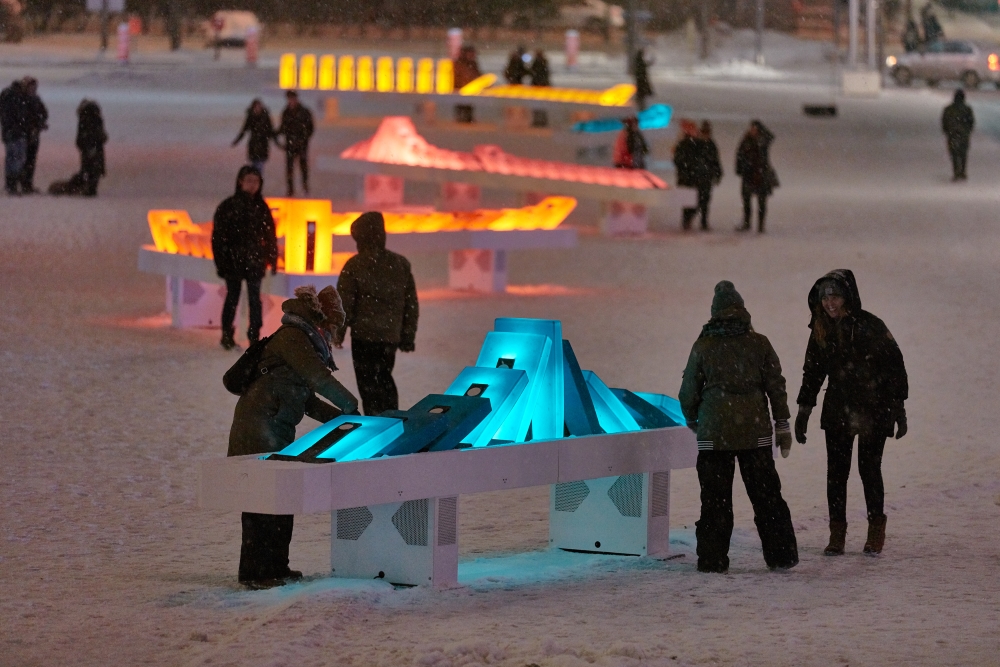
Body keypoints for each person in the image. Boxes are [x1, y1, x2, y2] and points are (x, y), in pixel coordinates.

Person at [227, 284, 359, 589]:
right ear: (320, 320)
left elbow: (305, 398)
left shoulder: (304, 342)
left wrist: (340, 418)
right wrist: (349, 404)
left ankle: (275, 568)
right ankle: (258, 572)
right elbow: (318, 379)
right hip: (258, 428)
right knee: (263, 504)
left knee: (280, 500)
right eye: (331, 327)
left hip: (274, 428)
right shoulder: (294, 339)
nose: (332, 334)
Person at [679, 280, 798, 574]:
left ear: (714, 314)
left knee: (715, 502)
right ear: (743, 311)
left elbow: (688, 391)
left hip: (714, 436)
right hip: (754, 433)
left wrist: (695, 420)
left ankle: (712, 560)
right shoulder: (759, 343)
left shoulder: (703, 345)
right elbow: (776, 386)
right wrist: (782, 424)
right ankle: (781, 556)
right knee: (767, 498)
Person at [794, 270, 908, 557]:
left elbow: (894, 365)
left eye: (835, 297)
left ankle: (875, 530)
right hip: (838, 409)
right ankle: (837, 534)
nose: (830, 304)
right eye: (825, 298)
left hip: (874, 407)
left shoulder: (870, 326)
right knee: (836, 473)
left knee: (869, 470)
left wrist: (898, 406)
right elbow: (813, 371)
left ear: (847, 297)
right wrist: (805, 408)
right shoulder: (821, 330)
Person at [334, 211, 419, 416]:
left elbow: (344, 303)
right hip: (390, 336)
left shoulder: (354, 265)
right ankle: (392, 420)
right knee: (384, 378)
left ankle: (377, 427)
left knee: (368, 385)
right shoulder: (400, 264)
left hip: (364, 336)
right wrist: (407, 336)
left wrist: (338, 331)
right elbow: (411, 304)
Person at [211, 165, 279, 350]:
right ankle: (227, 335)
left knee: (254, 300)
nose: (252, 185)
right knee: (233, 298)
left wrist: (272, 258)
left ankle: (254, 337)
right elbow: (218, 238)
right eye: (249, 181)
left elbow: (270, 235)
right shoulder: (228, 207)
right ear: (240, 182)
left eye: (255, 181)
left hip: (254, 260)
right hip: (234, 261)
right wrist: (221, 262)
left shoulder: (261, 207)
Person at [735, 119, 776, 233]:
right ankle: (747, 223)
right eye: (752, 128)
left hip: (761, 174)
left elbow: (771, 137)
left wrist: (761, 128)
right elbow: (739, 155)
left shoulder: (762, 141)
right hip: (748, 174)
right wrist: (739, 169)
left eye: (755, 129)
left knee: (761, 202)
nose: (753, 131)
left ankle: (760, 226)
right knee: (746, 200)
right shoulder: (746, 140)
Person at [276, 90, 314, 197]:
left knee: (303, 168)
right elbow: (283, 128)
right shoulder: (286, 112)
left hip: (301, 145)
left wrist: (303, 139)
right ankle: (291, 189)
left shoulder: (304, 112)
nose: (291, 101)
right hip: (290, 146)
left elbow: (310, 128)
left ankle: (305, 187)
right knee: (290, 168)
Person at [232, 98, 276, 177]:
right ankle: (256, 183)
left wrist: (277, 142)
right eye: (256, 107)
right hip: (254, 145)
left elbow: (271, 131)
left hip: (263, 145)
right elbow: (244, 130)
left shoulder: (265, 117)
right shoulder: (251, 117)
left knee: (259, 166)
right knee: (254, 166)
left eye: (259, 107)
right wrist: (237, 141)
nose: (257, 109)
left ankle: (257, 183)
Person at [693, 120, 723, 231]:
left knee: (705, 200)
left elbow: (716, 161)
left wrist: (718, 173)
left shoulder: (710, 144)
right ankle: (696, 220)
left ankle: (703, 221)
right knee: (698, 200)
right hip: (699, 176)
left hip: (706, 176)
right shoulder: (698, 144)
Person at [75, 99, 108, 197]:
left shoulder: (86, 118)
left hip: (90, 146)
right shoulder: (95, 117)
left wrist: (84, 144)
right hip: (94, 146)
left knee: (90, 168)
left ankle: (90, 189)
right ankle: (91, 188)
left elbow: (85, 134)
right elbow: (99, 134)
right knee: (93, 169)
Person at [19, 77, 47, 194]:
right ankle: (21, 184)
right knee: (23, 160)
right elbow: (21, 117)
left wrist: (39, 124)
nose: (33, 89)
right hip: (24, 134)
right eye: (31, 86)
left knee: (31, 160)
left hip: (34, 134)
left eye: (34, 87)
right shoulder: (21, 100)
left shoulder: (36, 99)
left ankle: (28, 185)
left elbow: (44, 113)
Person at [0, 79, 27, 195]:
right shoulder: (14, 98)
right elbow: (13, 117)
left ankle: (11, 184)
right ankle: (12, 184)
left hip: (11, 133)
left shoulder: (8, 97)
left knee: (12, 158)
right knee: (16, 158)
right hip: (15, 134)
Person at [672, 119, 700, 229]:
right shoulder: (684, 145)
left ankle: (687, 220)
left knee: (690, 201)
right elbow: (677, 160)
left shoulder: (694, 145)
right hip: (687, 177)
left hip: (689, 177)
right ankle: (686, 221)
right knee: (688, 201)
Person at [942, 90, 974, 181]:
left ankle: (956, 171)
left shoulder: (948, 109)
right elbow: (971, 122)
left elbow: (944, 122)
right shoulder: (967, 109)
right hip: (964, 134)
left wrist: (947, 131)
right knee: (963, 153)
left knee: (954, 153)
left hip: (952, 134)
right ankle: (963, 171)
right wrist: (968, 131)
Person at [453, 45, 481, 123]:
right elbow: (456, 75)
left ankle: (468, 117)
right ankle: (461, 117)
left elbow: (477, 74)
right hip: (460, 87)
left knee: (469, 103)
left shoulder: (473, 63)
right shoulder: (459, 63)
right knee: (461, 103)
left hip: (471, 87)